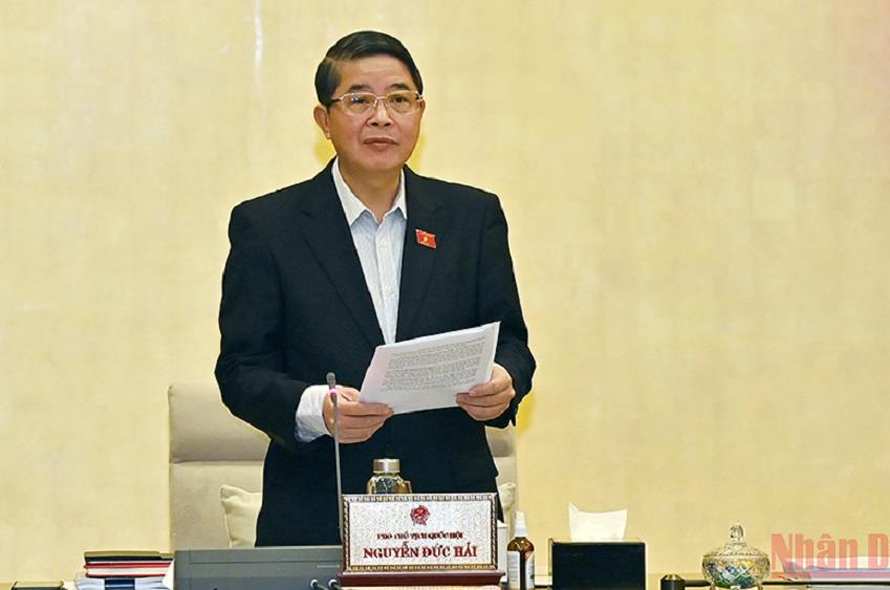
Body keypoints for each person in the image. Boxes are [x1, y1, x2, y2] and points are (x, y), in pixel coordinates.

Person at [215, 30, 535, 546]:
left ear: (420, 112)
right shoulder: (268, 226)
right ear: (324, 119)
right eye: (359, 100)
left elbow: (513, 344)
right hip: (318, 509)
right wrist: (317, 408)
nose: (382, 117)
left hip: (449, 512)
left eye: (399, 100)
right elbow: (240, 370)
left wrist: (503, 379)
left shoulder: (472, 217)